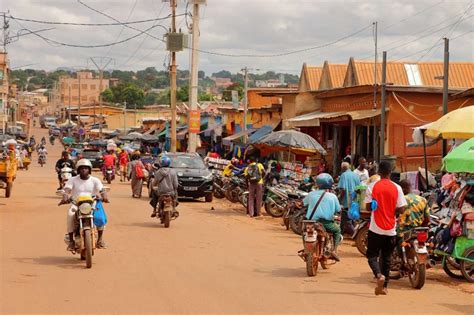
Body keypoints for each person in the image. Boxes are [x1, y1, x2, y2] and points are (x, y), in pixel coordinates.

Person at [364, 161, 407, 296]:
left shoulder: (372, 186)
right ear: (390, 172)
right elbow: (402, 208)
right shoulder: (397, 188)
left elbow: (367, 207)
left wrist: (376, 206)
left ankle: (378, 275)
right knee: (387, 258)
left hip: (375, 228)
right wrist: (393, 209)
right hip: (390, 230)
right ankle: (384, 287)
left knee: (372, 256)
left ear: (378, 171)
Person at [60, 159, 109, 250]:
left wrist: (104, 197)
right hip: (76, 203)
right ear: (78, 170)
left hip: (92, 203)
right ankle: (71, 241)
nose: (84, 170)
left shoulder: (95, 180)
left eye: (86, 168)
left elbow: (102, 190)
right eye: (81, 168)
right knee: (70, 215)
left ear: (89, 170)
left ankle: (100, 240)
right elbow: (67, 189)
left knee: (100, 217)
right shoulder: (73, 179)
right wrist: (65, 197)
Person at [304, 173, 342, 261]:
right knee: (337, 230)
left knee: (304, 233)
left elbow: (303, 203)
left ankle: (306, 249)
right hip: (326, 223)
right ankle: (334, 250)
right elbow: (338, 209)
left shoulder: (311, 194)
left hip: (311, 223)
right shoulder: (333, 196)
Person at [337, 161, 361, 234]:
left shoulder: (344, 175)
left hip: (346, 202)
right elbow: (359, 189)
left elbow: (343, 190)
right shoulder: (355, 175)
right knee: (347, 220)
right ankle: (340, 234)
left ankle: (355, 235)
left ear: (343, 168)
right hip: (354, 201)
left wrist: (339, 200)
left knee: (346, 220)